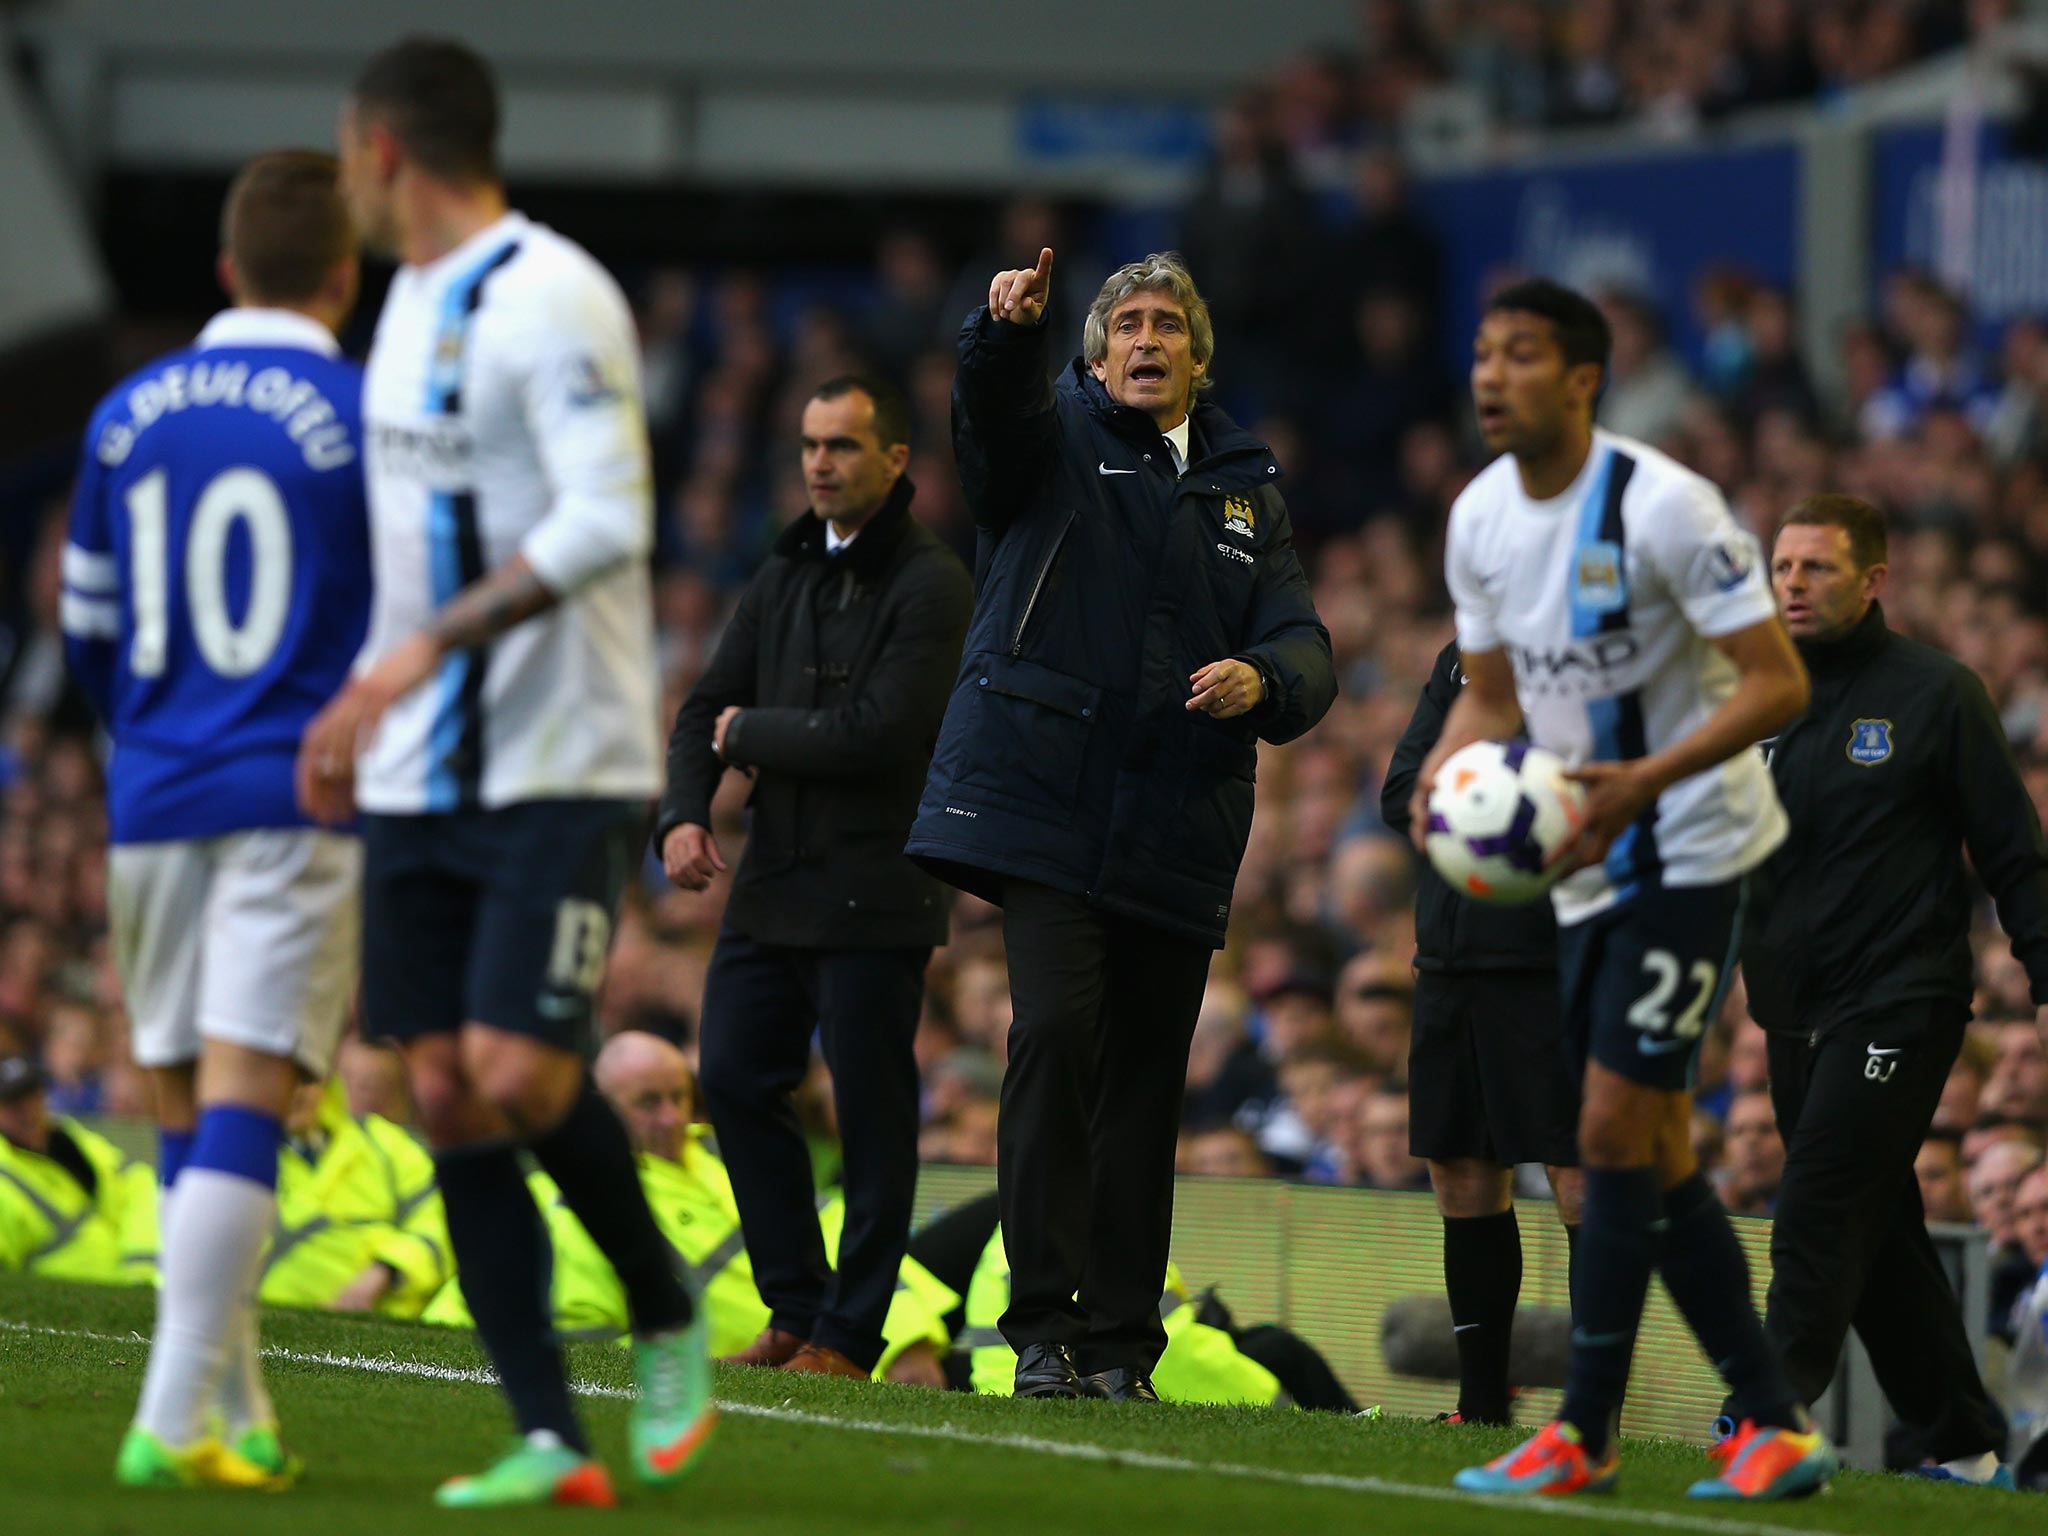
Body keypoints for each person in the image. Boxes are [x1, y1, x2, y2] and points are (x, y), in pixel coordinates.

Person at [296, 37, 710, 1508]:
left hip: (557, 756)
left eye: (345, 155)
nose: (342, 178)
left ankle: (664, 1306)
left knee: (522, 1069)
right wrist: (358, 700)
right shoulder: (400, 310)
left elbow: (609, 517)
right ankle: (547, 1435)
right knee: (444, 1093)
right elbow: (412, 555)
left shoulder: (554, 293)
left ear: (381, 150)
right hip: (415, 770)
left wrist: (424, 658)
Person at [1414, 278, 1835, 1500]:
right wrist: (1444, 778)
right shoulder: (1478, 517)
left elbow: (1774, 684)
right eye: (1482, 353)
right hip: (1583, 852)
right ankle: (1770, 1421)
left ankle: (1582, 1432)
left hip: (1691, 843)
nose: (1491, 376)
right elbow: (1489, 693)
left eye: (1522, 355)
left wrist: (1640, 780)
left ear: (1584, 377)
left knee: (1603, 1135)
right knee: (1646, 1146)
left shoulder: (1664, 506)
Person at [905, 248, 1335, 1402]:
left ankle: (1117, 1349)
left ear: (1198, 358)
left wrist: (1264, 678)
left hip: (1176, 821)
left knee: (1147, 1087)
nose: (1146, 341)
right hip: (1046, 808)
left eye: (1167, 326)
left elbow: (1305, 641)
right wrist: (1001, 336)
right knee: (1051, 1040)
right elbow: (986, 435)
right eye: (1126, 325)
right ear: (1094, 355)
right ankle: (1038, 1330)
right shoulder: (1049, 438)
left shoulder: (1249, 489)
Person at [62, 150, 370, 1492]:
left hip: (154, 786)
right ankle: (169, 1410)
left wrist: (141, 734)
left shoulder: (126, 411)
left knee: (186, 1095)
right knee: (256, 1091)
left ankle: (238, 1416)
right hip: (287, 793)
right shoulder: (357, 411)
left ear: (229, 268)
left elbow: (84, 625)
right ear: (345, 277)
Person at [654, 374, 971, 1379]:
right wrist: (679, 814)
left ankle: (850, 1330)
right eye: (807, 446)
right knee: (736, 1077)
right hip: (776, 881)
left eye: (841, 446)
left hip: (876, 887)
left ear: (893, 460)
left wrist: (747, 735)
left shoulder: (933, 584)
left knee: (874, 1114)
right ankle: (794, 1305)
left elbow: (876, 735)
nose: (820, 464)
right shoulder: (784, 573)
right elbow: (701, 701)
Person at [1736, 493, 2048, 1488]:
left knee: (1822, 1201)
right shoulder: (1747, 696)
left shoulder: (1933, 693)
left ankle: (1765, 1421)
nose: (1791, 584)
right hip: (1788, 1009)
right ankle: (1962, 1441)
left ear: (1872, 580)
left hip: (1901, 1000)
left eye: (1815, 568)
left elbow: (2013, 851)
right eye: (1780, 567)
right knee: (1876, 1232)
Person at [1383, 639, 1582, 1427]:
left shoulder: (1608, 649)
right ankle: (1480, 1403)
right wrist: (1488, 792)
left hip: (1558, 959)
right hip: (1453, 958)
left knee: (1580, 1174)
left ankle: (1587, 1408)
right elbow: (1405, 785)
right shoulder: (1466, 658)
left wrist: (1500, 790)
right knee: (1461, 1170)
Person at [0, 1054, 157, 1282]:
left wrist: (141, 1266)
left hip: (133, 1278)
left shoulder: (71, 1137)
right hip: (63, 1306)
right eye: (13, 1104)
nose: (28, 1110)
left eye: (33, 1095)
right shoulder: (7, 1173)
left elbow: (137, 1185)